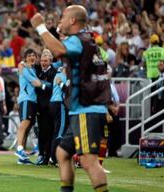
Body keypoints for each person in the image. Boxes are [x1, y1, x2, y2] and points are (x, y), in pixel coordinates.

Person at [31, 5, 109, 192]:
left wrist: (41, 27)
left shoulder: (78, 41)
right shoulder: (87, 40)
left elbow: (58, 50)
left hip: (85, 110)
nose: (60, 21)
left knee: (88, 161)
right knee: (63, 153)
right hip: (83, 109)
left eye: (63, 17)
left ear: (73, 21)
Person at [15, 49, 38, 165]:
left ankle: (22, 156)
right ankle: (19, 148)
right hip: (26, 99)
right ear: (25, 58)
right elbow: (35, 83)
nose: (32, 57)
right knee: (24, 123)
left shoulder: (34, 69)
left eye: (34, 55)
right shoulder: (23, 66)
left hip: (33, 101)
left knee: (28, 127)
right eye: (29, 55)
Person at [34, 49, 57, 165]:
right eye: (42, 60)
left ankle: (47, 156)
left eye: (46, 61)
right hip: (40, 107)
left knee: (49, 131)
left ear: (50, 61)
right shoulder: (38, 72)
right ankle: (41, 154)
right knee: (41, 132)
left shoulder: (54, 72)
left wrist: (42, 85)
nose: (43, 63)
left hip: (49, 107)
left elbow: (54, 87)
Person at [49, 66, 69, 165]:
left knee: (57, 131)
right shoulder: (65, 77)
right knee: (60, 132)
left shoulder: (58, 74)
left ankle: (53, 157)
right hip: (60, 103)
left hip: (53, 103)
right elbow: (67, 91)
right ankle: (55, 158)